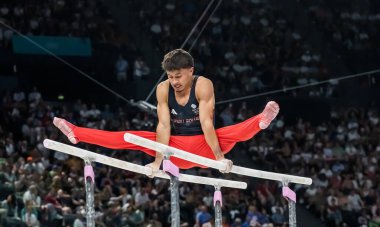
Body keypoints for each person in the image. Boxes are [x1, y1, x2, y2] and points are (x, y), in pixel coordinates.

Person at [53, 49, 279, 176]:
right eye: (170, 77)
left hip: (206, 146)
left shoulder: (203, 85)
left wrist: (219, 158)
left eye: (178, 76)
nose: (174, 82)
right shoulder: (163, 89)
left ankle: (260, 120)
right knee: (131, 137)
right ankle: (76, 133)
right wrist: (158, 160)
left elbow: (206, 122)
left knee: (229, 132)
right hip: (175, 148)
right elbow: (163, 126)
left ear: (191, 71)